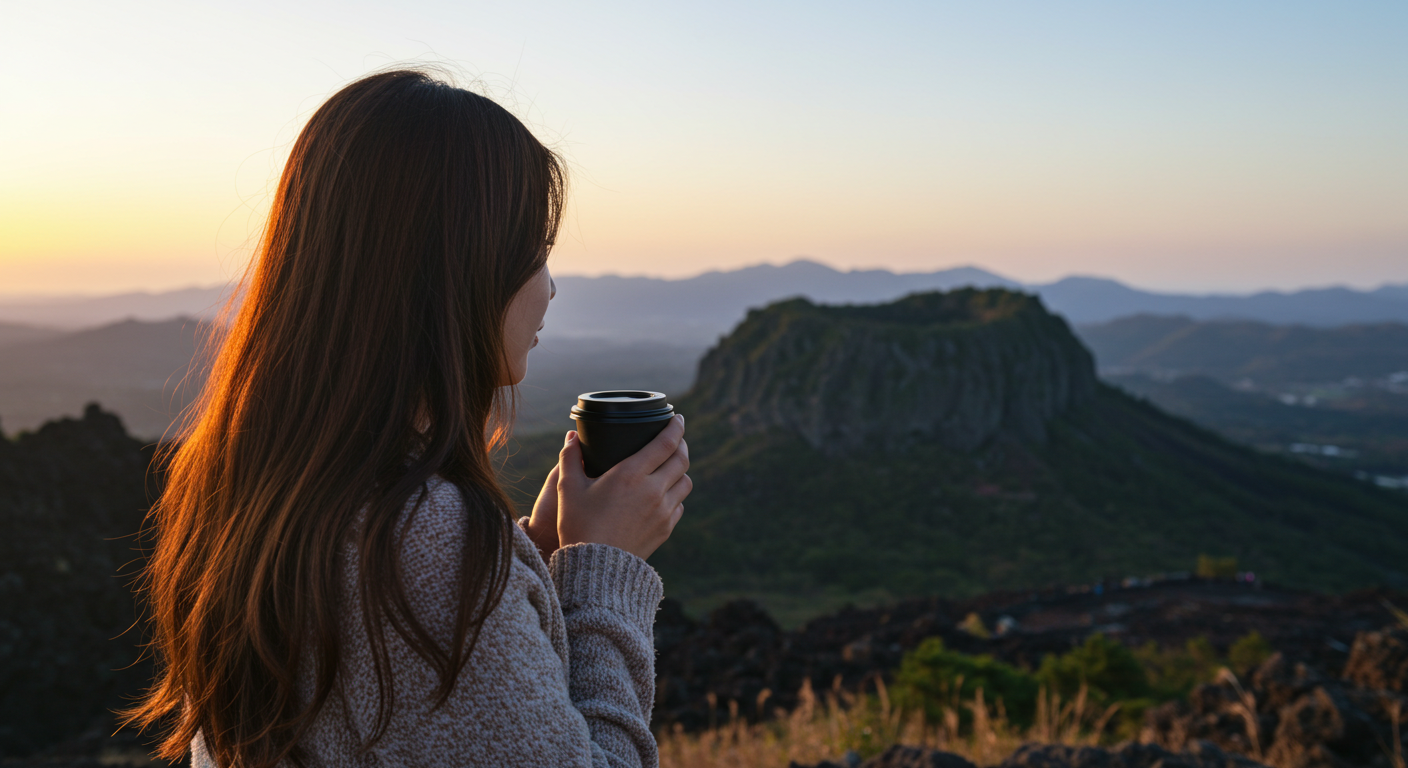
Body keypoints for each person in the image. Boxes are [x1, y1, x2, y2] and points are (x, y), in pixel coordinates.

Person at [125, 69, 691, 768]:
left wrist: (530, 560)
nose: (548, 286)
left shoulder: (254, 483)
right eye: (534, 252)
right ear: (459, 269)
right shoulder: (420, 543)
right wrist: (606, 573)